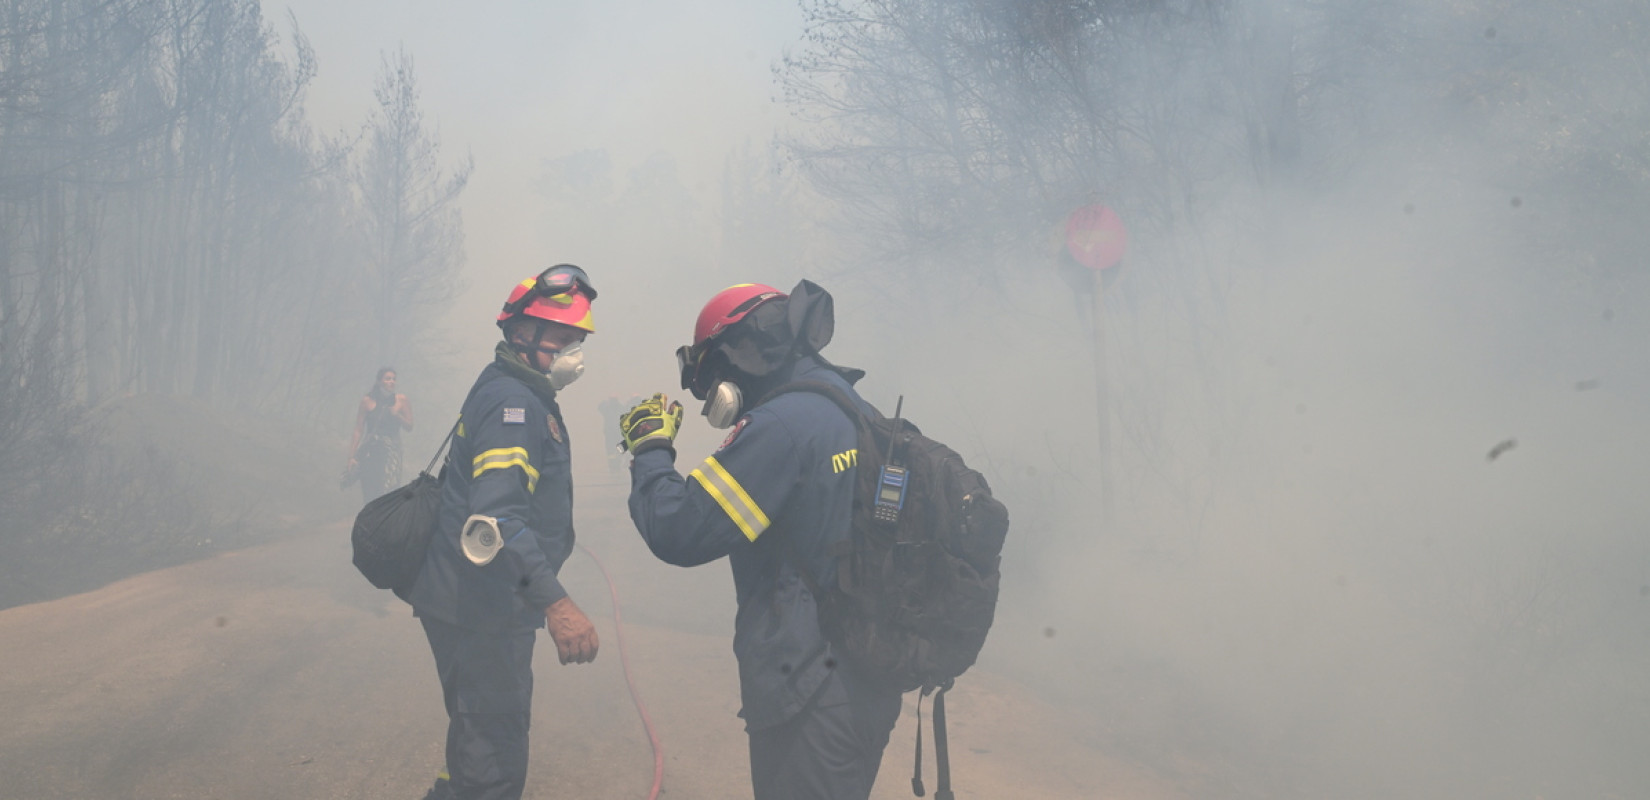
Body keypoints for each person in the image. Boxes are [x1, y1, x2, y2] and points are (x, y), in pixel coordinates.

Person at [622, 281, 901, 800]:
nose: (712, 398)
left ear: (737, 358)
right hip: (865, 670)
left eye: (711, 382)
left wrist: (651, 449)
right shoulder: (849, 405)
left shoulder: (779, 427)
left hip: (810, 684)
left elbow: (679, 531)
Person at [403, 264, 602, 800]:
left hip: (483, 606)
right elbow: (494, 522)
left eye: (577, 340)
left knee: (477, 739)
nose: (573, 353)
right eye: (561, 338)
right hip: (482, 609)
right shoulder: (513, 405)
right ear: (521, 335)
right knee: (492, 753)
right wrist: (557, 603)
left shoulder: (521, 394)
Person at [346, 367, 414, 503]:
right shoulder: (367, 401)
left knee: (388, 491)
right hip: (371, 452)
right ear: (379, 381)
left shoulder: (401, 400)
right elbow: (358, 429)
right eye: (388, 379)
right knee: (370, 490)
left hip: (391, 454)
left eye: (394, 379)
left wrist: (397, 415)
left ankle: (386, 521)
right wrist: (352, 456)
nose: (392, 382)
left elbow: (409, 426)